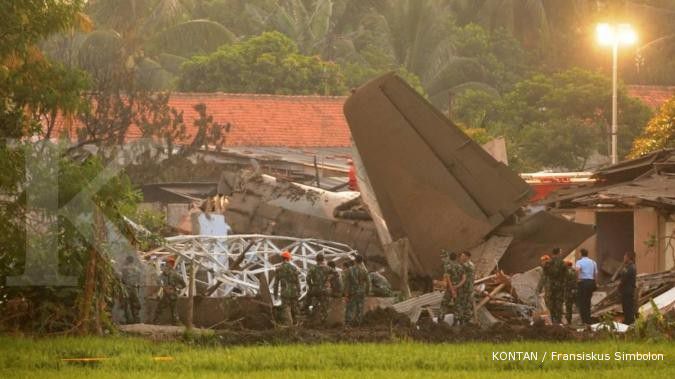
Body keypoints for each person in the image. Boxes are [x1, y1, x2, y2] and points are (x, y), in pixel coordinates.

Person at [153, 256, 186, 325]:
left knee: (161, 309)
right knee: (173, 310)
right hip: (170, 294)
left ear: (170, 264)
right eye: (166, 263)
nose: (166, 264)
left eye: (167, 263)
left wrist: (175, 288)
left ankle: (157, 322)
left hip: (171, 295)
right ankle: (176, 323)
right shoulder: (166, 273)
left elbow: (183, 284)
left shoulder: (175, 274)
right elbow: (158, 280)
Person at [273, 251, 301, 326]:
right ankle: (297, 324)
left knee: (286, 308)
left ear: (282, 259)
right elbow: (297, 281)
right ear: (289, 259)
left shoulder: (279, 269)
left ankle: (289, 324)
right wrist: (299, 291)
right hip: (294, 291)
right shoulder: (294, 268)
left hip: (284, 292)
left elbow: (276, 283)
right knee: (295, 308)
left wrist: (275, 294)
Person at [541, 248, 567, 324]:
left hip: (550, 287)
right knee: (559, 303)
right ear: (559, 253)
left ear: (552, 253)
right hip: (559, 287)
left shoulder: (548, 263)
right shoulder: (562, 263)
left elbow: (544, 276)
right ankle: (558, 322)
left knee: (551, 304)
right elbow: (566, 276)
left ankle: (552, 321)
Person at [345, 254, 370, 326]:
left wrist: (346, 294)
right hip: (361, 291)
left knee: (350, 307)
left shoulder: (350, 270)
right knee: (360, 307)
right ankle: (358, 323)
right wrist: (367, 292)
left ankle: (348, 323)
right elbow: (368, 283)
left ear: (355, 261)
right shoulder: (365, 271)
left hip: (352, 292)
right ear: (362, 261)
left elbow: (346, 283)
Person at [575, 248, 598, 324]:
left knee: (582, 302)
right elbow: (596, 273)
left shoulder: (579, 262)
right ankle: (588, 319)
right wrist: (595, 282)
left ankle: (584, 320)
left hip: (583, 283)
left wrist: (578, 279)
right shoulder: (593, 262)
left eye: (579, 253)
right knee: (588, 301)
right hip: (591, 282)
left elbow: (577, 270)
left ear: (581, 254)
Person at [440, 251, 465, 321]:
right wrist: (457, 286)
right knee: (457, 305)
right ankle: (458, 321)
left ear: (449, 258)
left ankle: (440, 320)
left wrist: (452, 290)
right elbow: (464, 279)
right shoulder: (461, 267)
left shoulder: (448, 267)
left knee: (444, 304)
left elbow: (448, 279)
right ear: (456, 258)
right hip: (459, 289)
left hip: (450, 289)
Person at [306, 253, 331, 323]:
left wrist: (311, 286)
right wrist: (328, 281)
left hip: (315, 289)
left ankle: (314, 320)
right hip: (324, 289)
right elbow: (336, 274)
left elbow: (308, 278)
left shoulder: (313, 268)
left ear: (316, 259)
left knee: (314, 304)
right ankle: (325, 321)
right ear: (323, 259)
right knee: (325, 305)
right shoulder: (327, 268)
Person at [121, 255, 142, 324]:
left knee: (126, 304)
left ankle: (128, 320)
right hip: (135, 288)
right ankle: (136, 319)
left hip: (127, 288)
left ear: (127, 260)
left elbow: (121, 279)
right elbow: (139, 281)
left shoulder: (123, 269)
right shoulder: (137, 270)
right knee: (135, 304)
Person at [456, 251, 475, 325]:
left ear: (467, 257)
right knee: (463, 304)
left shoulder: (469, 265)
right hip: (465, 288)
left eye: (462, 256)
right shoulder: (467, 264)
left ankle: (466, 322)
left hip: (467, 289)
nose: (461, 257)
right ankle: (464, 321)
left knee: (466, 305)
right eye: (461, 256)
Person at [618, 251, 637, 325]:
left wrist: (619, 286)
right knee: (626, 306)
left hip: (627, 290)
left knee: (627, 306)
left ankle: (629, 321)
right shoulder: (629, 266)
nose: (624, 258)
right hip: (627, 290)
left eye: (625, 256)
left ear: (628, 257)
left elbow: (623, 279)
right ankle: (628, 320)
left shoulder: (630, 267)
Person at [563, 260, 577, 325]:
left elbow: (565, 282)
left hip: (568, 291)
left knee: (568, 306)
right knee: (577, 305)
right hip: (575, 290)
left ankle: (569, 321)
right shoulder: (575, 271)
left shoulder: (566, 272)